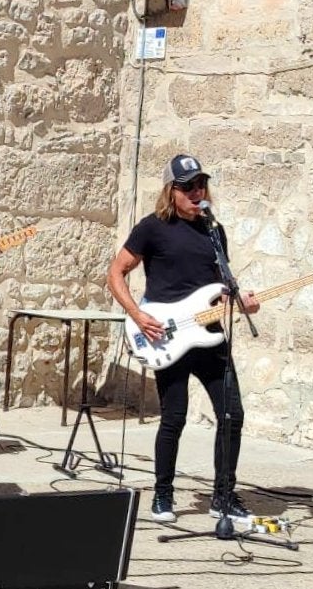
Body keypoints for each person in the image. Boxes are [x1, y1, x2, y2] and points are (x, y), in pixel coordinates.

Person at [106, 153, 260, 526]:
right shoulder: (152, 228)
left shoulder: (214, 231)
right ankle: (163, 494)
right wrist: (138, 316)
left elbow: (219, 288)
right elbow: (115, 273)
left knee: (232, 414)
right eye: (187, 186)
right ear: (171, 191)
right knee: (173, 417)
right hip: (165, 334)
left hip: (209, 336)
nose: (196, 191)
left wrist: (239, 303)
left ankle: (223, 497)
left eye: (200, 184)